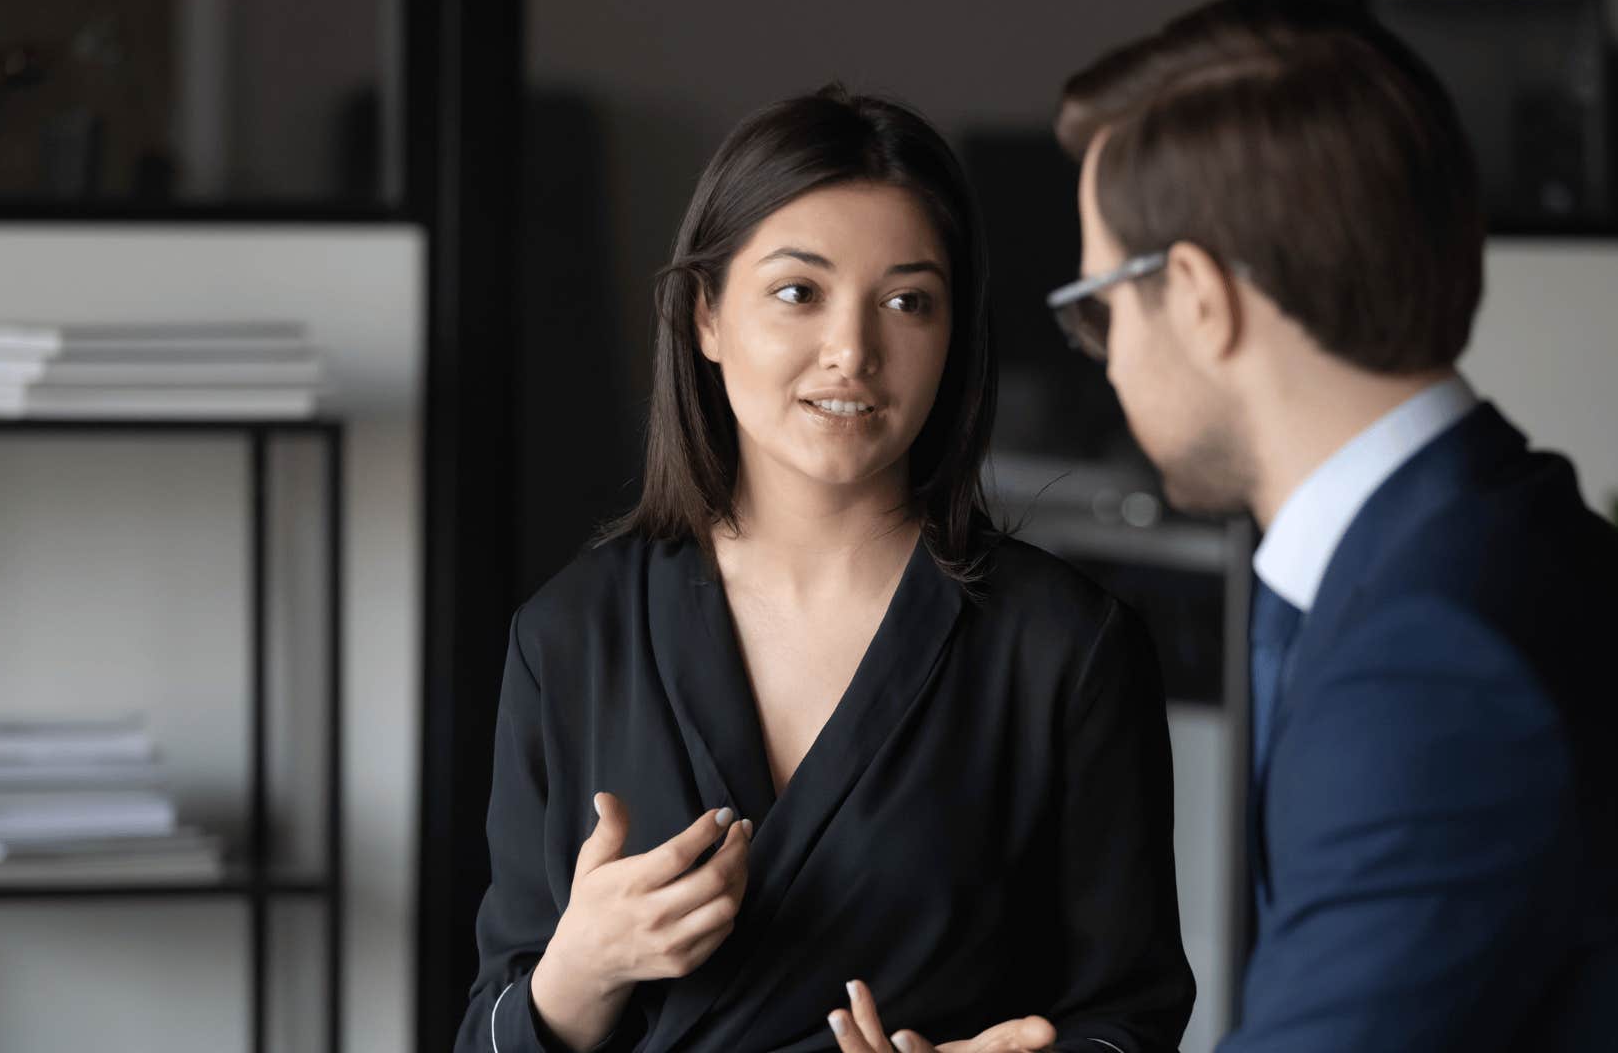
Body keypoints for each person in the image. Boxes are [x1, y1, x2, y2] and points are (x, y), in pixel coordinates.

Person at [1036, 0, 1618, 1052]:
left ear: (1197, 296)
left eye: (1100, 308)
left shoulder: (1435, 656)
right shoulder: (1480, 541)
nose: (1108, 355)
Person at [454, 85, 1194, 1053]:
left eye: (907, 301)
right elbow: (490, 1030)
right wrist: (580, 969)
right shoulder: (569, 637)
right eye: (799, 293)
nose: (854, 351)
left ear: (954, 337)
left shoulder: (1065, 648)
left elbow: (1129, 1019)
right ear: (706, 318)